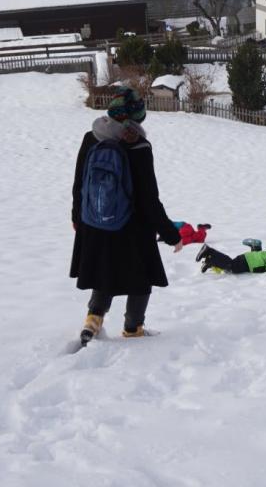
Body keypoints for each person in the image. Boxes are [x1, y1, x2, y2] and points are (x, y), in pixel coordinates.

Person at [70, 86, 183, 346]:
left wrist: (78, 217)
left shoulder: (92, 137)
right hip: (131, 227)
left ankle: (93, 320)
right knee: (140, 279)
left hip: (94, 223)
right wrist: (170, 233)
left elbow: (79, 182)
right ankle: (133, 328)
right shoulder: (138, 146)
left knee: (103, 271)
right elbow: (148, 199)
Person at [195, 238, 266, 276]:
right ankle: (209, 251)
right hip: (251, 262)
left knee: (230, 266)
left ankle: (210, 261)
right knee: (231, 266)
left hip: (251, 259)